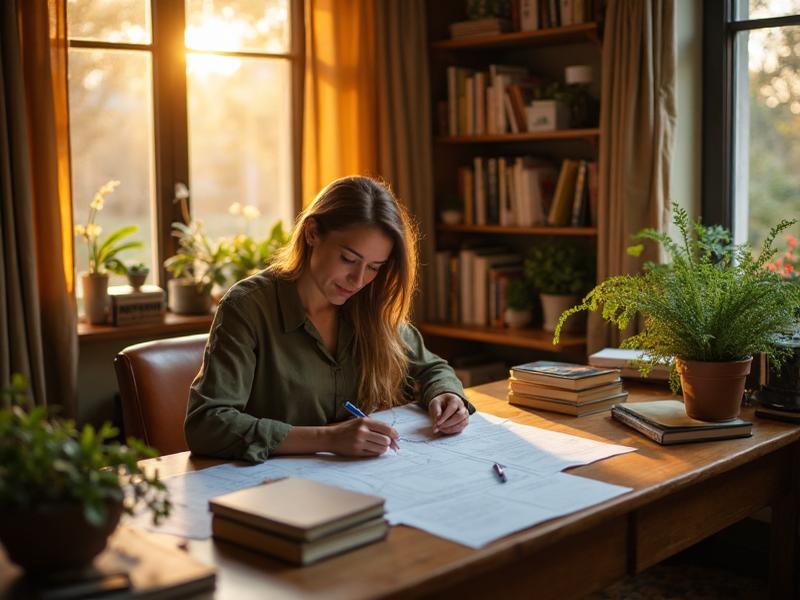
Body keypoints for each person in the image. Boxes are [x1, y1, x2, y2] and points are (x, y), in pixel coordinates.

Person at [185, 176, 473, 462]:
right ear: (312, 233)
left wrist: (447, 395)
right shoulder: (248, 307)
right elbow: (207, 424)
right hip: (276, 490)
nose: (358, 280)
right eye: (348, 259)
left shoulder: (370, 303)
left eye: (374, 267)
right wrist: (329, 438)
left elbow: (432, 368)